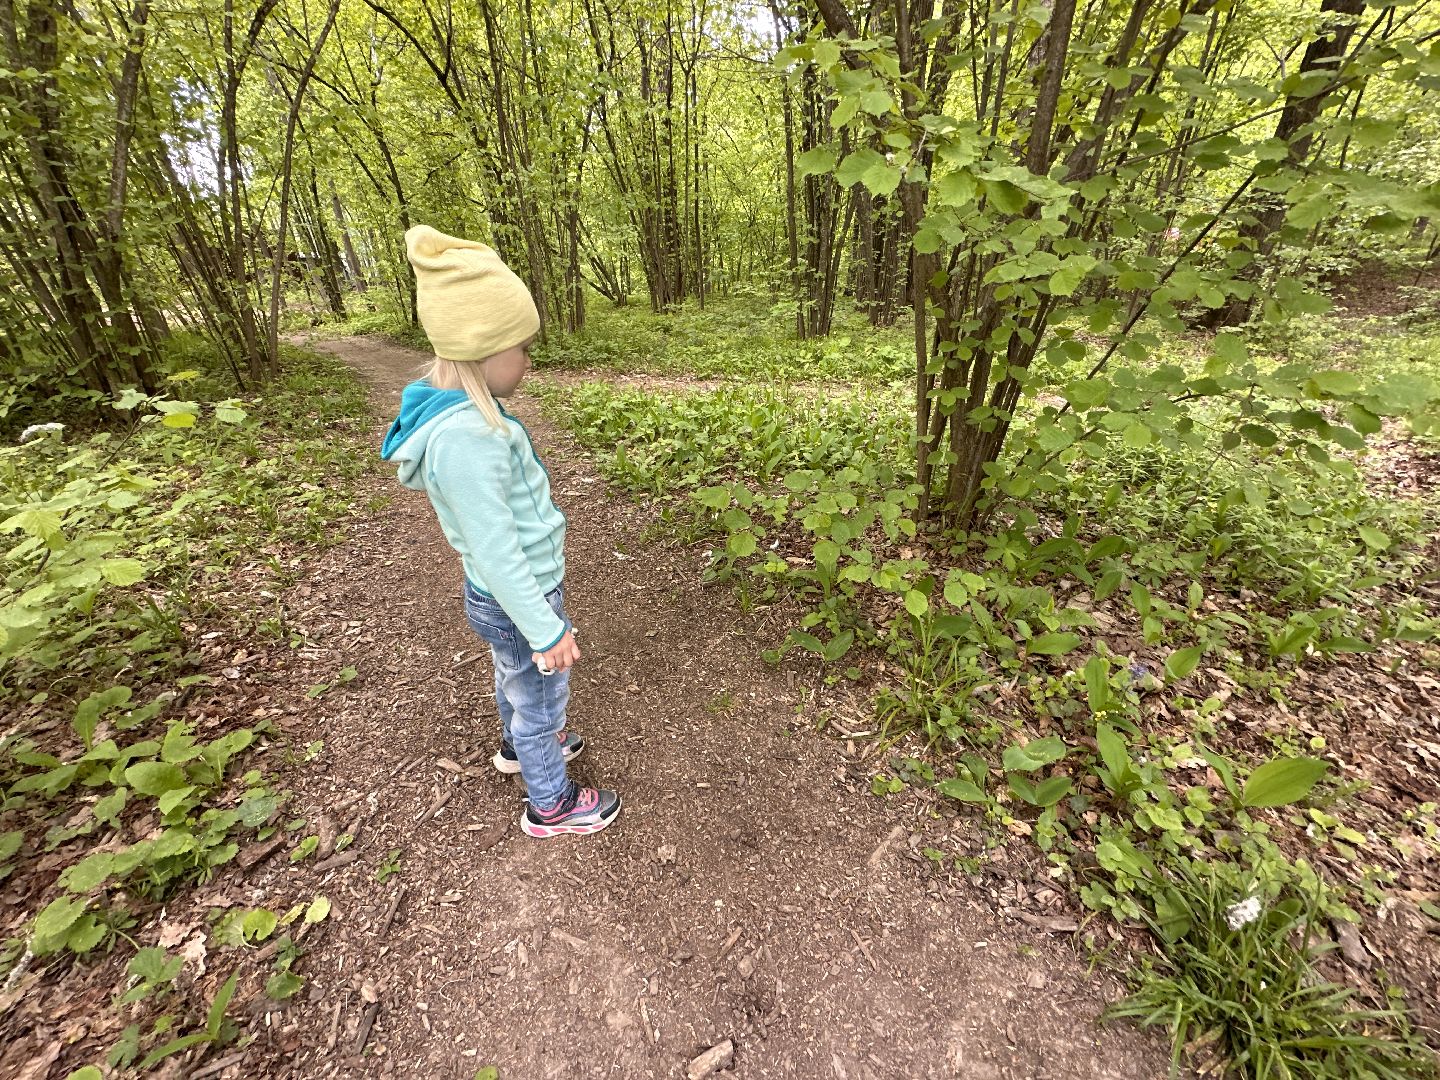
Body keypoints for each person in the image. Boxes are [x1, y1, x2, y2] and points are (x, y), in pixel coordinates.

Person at [380, 224, 621, 838]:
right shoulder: (470, 438)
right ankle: (552, 804)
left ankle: (521, 748)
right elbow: (495, 544)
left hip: (502, 593)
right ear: (485, 353)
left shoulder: (466, 420)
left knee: (514, 674)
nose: (529, 360)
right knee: (539, 693)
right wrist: (546, 628)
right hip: (520, 595)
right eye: (522, 347)